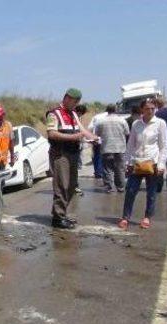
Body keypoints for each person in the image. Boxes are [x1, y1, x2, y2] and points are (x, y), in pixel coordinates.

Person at [46, 88, 98, 229]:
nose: (76, 105)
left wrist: (92, 137)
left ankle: (61, 213)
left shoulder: (73, 113)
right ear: (67, 98)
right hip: (60, 153)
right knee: (62, 185)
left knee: (72, 185)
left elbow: (82, 129)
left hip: (73, 153)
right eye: (75, 102)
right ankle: (58, 218)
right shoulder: (54, 114)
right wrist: (73, 137)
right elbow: (52, 134)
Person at [119, 99, 167, 230]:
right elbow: (130, 145)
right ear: (142, 110)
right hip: (137, 162)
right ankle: (125, 217)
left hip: (152, 163)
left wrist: (161, 164)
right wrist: (127, 162)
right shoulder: (136, 124)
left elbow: (164, 146)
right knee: (130, 191)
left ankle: (147, 217)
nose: (151, 111)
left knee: (151, 192)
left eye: (153, 108)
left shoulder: (160, 123)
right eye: (148, 108)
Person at [95, 104, 130, 192]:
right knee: (120, 169)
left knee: (107, 169)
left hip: (106, 147)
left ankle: (108, 187)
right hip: (120, 148)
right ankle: (121, 187)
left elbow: (97, 134)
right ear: (116, 110)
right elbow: (127, 133)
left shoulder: (101, 121)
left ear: (107, 110)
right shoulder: (122, 121)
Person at [74, 104, 88, 196]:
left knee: (75, 167)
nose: (81, 115)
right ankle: (74, 186)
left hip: (77, 144)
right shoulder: (73, 118)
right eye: (80, 113)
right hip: (73, 145)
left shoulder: (78, 118)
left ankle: (75, 185)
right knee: (74, 167)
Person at [88, 110, 106, 179]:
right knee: (103, 156)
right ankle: (101, 172)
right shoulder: (115, 117)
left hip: (96, 138)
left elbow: (90, 127)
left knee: (96, 155)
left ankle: (97, 172)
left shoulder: (97, 116)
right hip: (106, 139)